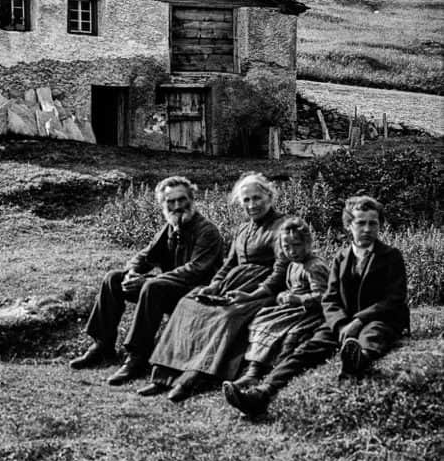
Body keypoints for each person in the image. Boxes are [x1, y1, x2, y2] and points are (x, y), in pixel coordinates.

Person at [224, 194, 410, 419]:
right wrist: (341, 324)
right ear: (349, 226)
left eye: (373, 223)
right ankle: (261, 394)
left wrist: (358, 321)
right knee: (306, 351)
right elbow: (330, 298)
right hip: (344, 320)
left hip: (380, 318)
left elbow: (394, 299)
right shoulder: (342, 258)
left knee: (373, 334)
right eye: (361, 223)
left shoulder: (391, 256)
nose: (368, 229)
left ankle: (357, 359)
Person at [140, 172, 288, 402]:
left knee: (225, 317)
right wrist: (214, 285)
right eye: (246, 200)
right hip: (232, 283)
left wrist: (253, 294)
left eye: (257, 198)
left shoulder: (282, 227)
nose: (252, 205)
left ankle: (192, 378)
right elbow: (229, 263)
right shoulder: (243, 229)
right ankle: (162, 375)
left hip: (261, 289)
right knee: (189, 303)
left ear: (269, 196)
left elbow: (281, 270)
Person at [70, 176, 223, 384]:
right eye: (171, 202)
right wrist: (132, 271)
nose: (177, 206)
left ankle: (137, 357)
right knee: (114, 278)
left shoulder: (207, 231)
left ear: (192, 199)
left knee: (152, 286)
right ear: (163, 204)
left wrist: (148, 281)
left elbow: (195, 270)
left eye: (182, 200)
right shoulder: (170, 228)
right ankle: (102, 345)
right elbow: (145, 255)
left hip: (196, 295)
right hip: (167, 288)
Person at [222, 216, 328, 400]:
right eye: (287, 247)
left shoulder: (314, 266)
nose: (292, 251)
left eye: (297, 245)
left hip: (309, 312)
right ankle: (253, 370)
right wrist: (283, 295)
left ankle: (271, 371)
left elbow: (323, 296)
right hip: (291, 309)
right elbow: (289, 286)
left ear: (308, 243)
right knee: (262, 320)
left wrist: (298, 299)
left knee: (288, 334)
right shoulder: (293, 265)